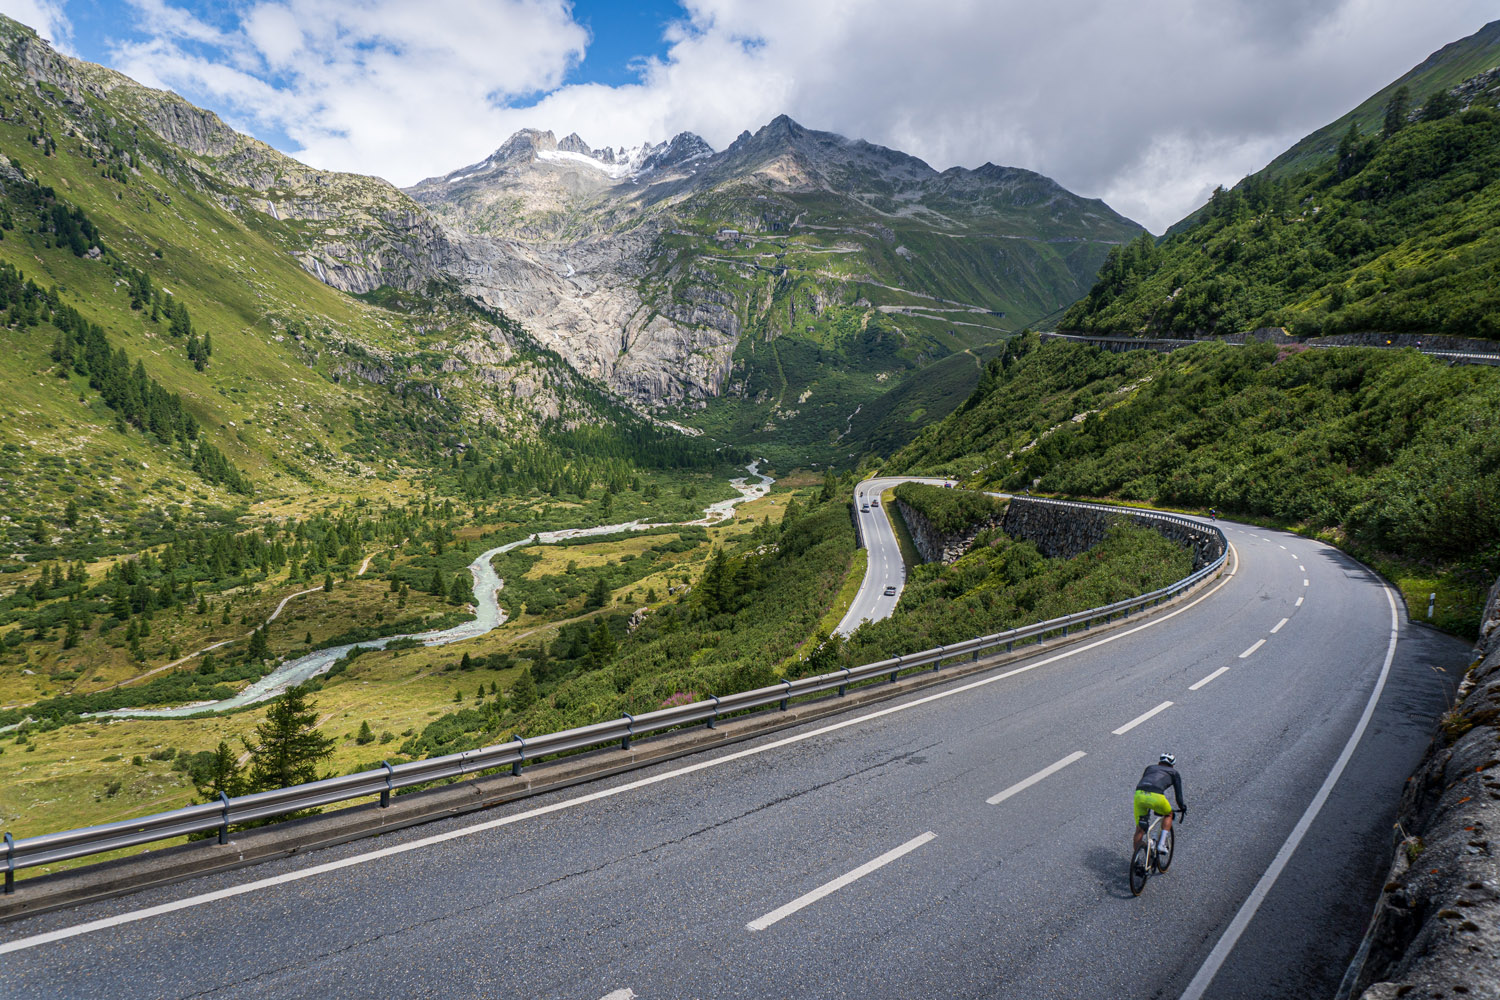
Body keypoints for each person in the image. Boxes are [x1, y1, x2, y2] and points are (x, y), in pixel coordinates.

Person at [1134, 753, 1186, 861]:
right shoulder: (1174, 773)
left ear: (1159, 763)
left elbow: (1147, 783)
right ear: (1172, 765)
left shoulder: (1150, 768)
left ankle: (1137, 860)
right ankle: (1161, 844)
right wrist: (1182, 807)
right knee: (1169, 814)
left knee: (1140, 829)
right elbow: (1179, 796)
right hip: (1156, 796)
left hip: (1139, 795)